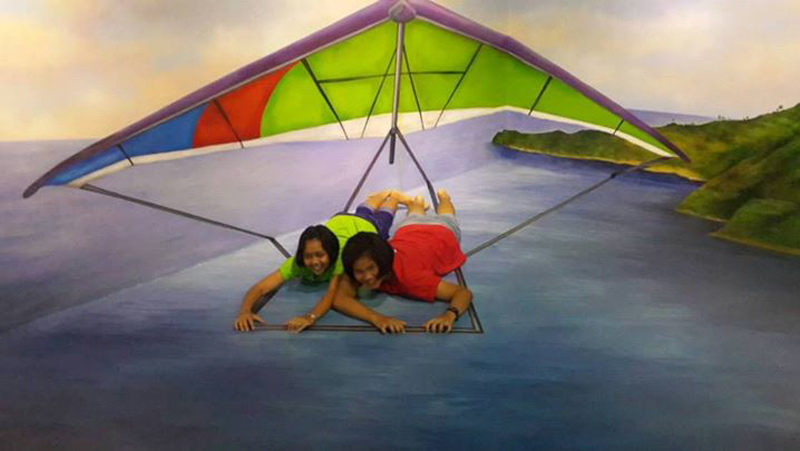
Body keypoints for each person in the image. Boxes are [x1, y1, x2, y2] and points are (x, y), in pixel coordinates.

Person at [233, 189, 413, 333]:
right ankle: (380, 196)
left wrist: (309, 317)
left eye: (320, 255)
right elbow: (261, 287)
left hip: (365, 226)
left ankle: (393, 197)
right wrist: (245, 312)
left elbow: (331, 295)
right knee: (363, 211)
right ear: (302, 254)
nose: (314, 262)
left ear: (331, 252)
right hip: (341, 220)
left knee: (384, 216)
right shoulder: (296, 264)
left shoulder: (341, 259)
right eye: (308, 256)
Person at [333, 189, 472, 334]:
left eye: (371, 268)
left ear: (383, 261)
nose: (367, 277)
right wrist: (377, 318)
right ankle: (418, 201)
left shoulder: (411, 278)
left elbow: (462, 293)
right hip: (409, 229)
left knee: (446, 215)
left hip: (442, 231)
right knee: (415, 213)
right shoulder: (360, 261)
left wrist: (450, 315)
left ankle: (444, 198)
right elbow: (339, 299)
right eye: (360, 271)